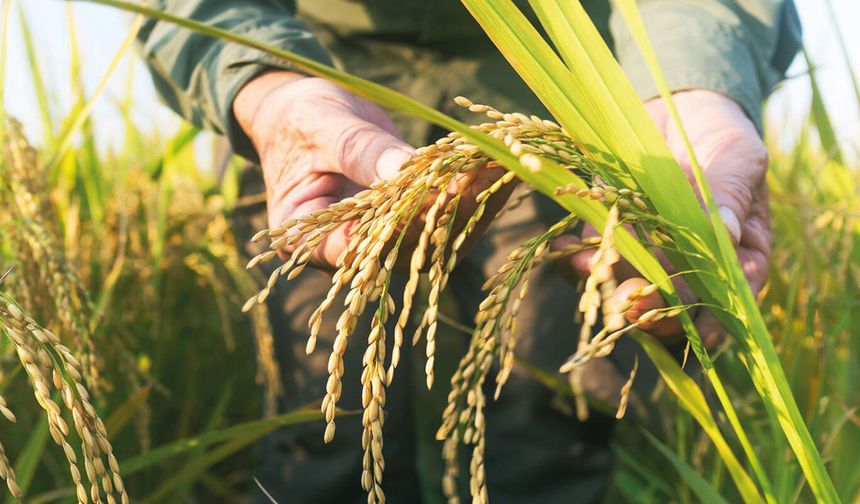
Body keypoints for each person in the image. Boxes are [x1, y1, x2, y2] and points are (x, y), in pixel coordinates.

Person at [138, 1, 800, 501]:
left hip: (546, 88)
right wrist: (268, 85)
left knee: (548, 421)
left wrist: (694, 92)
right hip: (315, 76)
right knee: (322, 424)